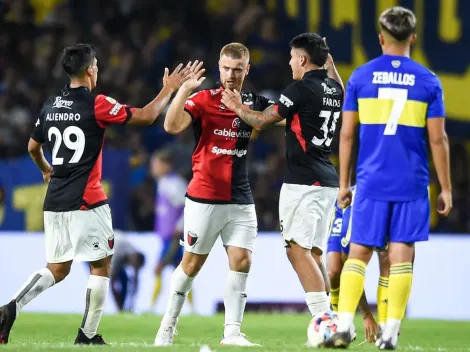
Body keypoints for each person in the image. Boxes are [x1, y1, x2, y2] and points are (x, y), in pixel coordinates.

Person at [0, 43, 197, 345]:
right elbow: (146, 116)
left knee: (57, 268)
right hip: (87, 200)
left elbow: (32, 147)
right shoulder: (97, 103)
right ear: (91, 69)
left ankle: (11, 307)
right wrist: (168, 89)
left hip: (54, 201)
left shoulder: (51, 105)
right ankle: (87, 335)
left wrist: (46, 169)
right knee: (101, 265)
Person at [324, 7, 452, 350]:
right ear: (413, 37)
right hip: (412, 183)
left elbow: (347, 135)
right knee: (400, 255)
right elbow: (438, 139)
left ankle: (344, 326)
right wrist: (446, 187)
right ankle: (390, 333)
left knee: (359, 252)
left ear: (380, 38)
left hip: (371, 181)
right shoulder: (428, 80)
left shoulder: (361, 77)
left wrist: (344, 184)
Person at [154, 43, 274, 347]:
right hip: (204, 198)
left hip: (241, 198)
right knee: (191, 265)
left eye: (237, 69)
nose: (231, 75)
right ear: (219, 68)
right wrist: (184, 90)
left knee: (242, 260)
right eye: (226, 69)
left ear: (247, 69)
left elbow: (281, 118)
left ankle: (232, 332)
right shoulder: (203, 100)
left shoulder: (254, 102)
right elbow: (171, 125)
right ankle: (167, 325)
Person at [221, 33, 344, 321]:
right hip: (327, 181)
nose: (290, 63)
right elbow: (340, 87)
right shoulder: (334, 90)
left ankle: (324, 321)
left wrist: (236, 107)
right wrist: (331, 63)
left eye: (292, 57)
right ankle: (332, 318)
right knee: (313, 255)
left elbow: (262, 121)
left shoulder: (299, 89)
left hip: (303, 182)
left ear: (302, 59)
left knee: (296, 251)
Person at [326, 186, 390, 343]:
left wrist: (386, 321)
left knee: (387, 260)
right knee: (334, 271)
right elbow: (348, 268)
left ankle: (384, 327)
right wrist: (366, 314)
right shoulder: (353, 225)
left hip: (375, 203)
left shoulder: (389, 218)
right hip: (345, 208)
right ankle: (340, 321)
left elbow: (387, 271)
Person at [148, 149, 194, 313]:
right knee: (182, 272)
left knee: (159, 268)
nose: (153, 168)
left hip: (173, 236)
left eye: (156, 164)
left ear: (166, 165)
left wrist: (180, 226)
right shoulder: (163, 183)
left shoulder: (175, 183)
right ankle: (192, 308)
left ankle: (152, 307)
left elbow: (187, 206)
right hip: (166, 235)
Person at [110, 231, 146, 312]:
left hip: (115, 240)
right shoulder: (117, 255)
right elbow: (112, 282)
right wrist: (118, 306)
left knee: (125, 280)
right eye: (134, 266)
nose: (133, 268)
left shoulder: (135, 255)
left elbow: (135, 281)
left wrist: (132, 304)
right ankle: (120, 308)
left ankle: (122, 308)